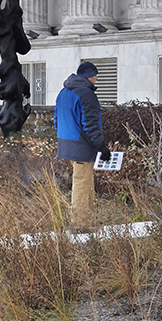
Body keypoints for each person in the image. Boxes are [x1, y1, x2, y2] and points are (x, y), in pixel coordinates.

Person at [55, 62, 107, 228]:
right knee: (82, 183)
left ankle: (88, 219)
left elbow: (56, 120)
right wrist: (101, 146)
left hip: (67, 143)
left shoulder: (63, 92)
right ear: (90, 76)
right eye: (95, 75)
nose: (96, 79)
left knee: (85, 180)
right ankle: (79, 224)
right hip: (81, 146)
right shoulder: (86, 93)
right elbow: (90, 125)